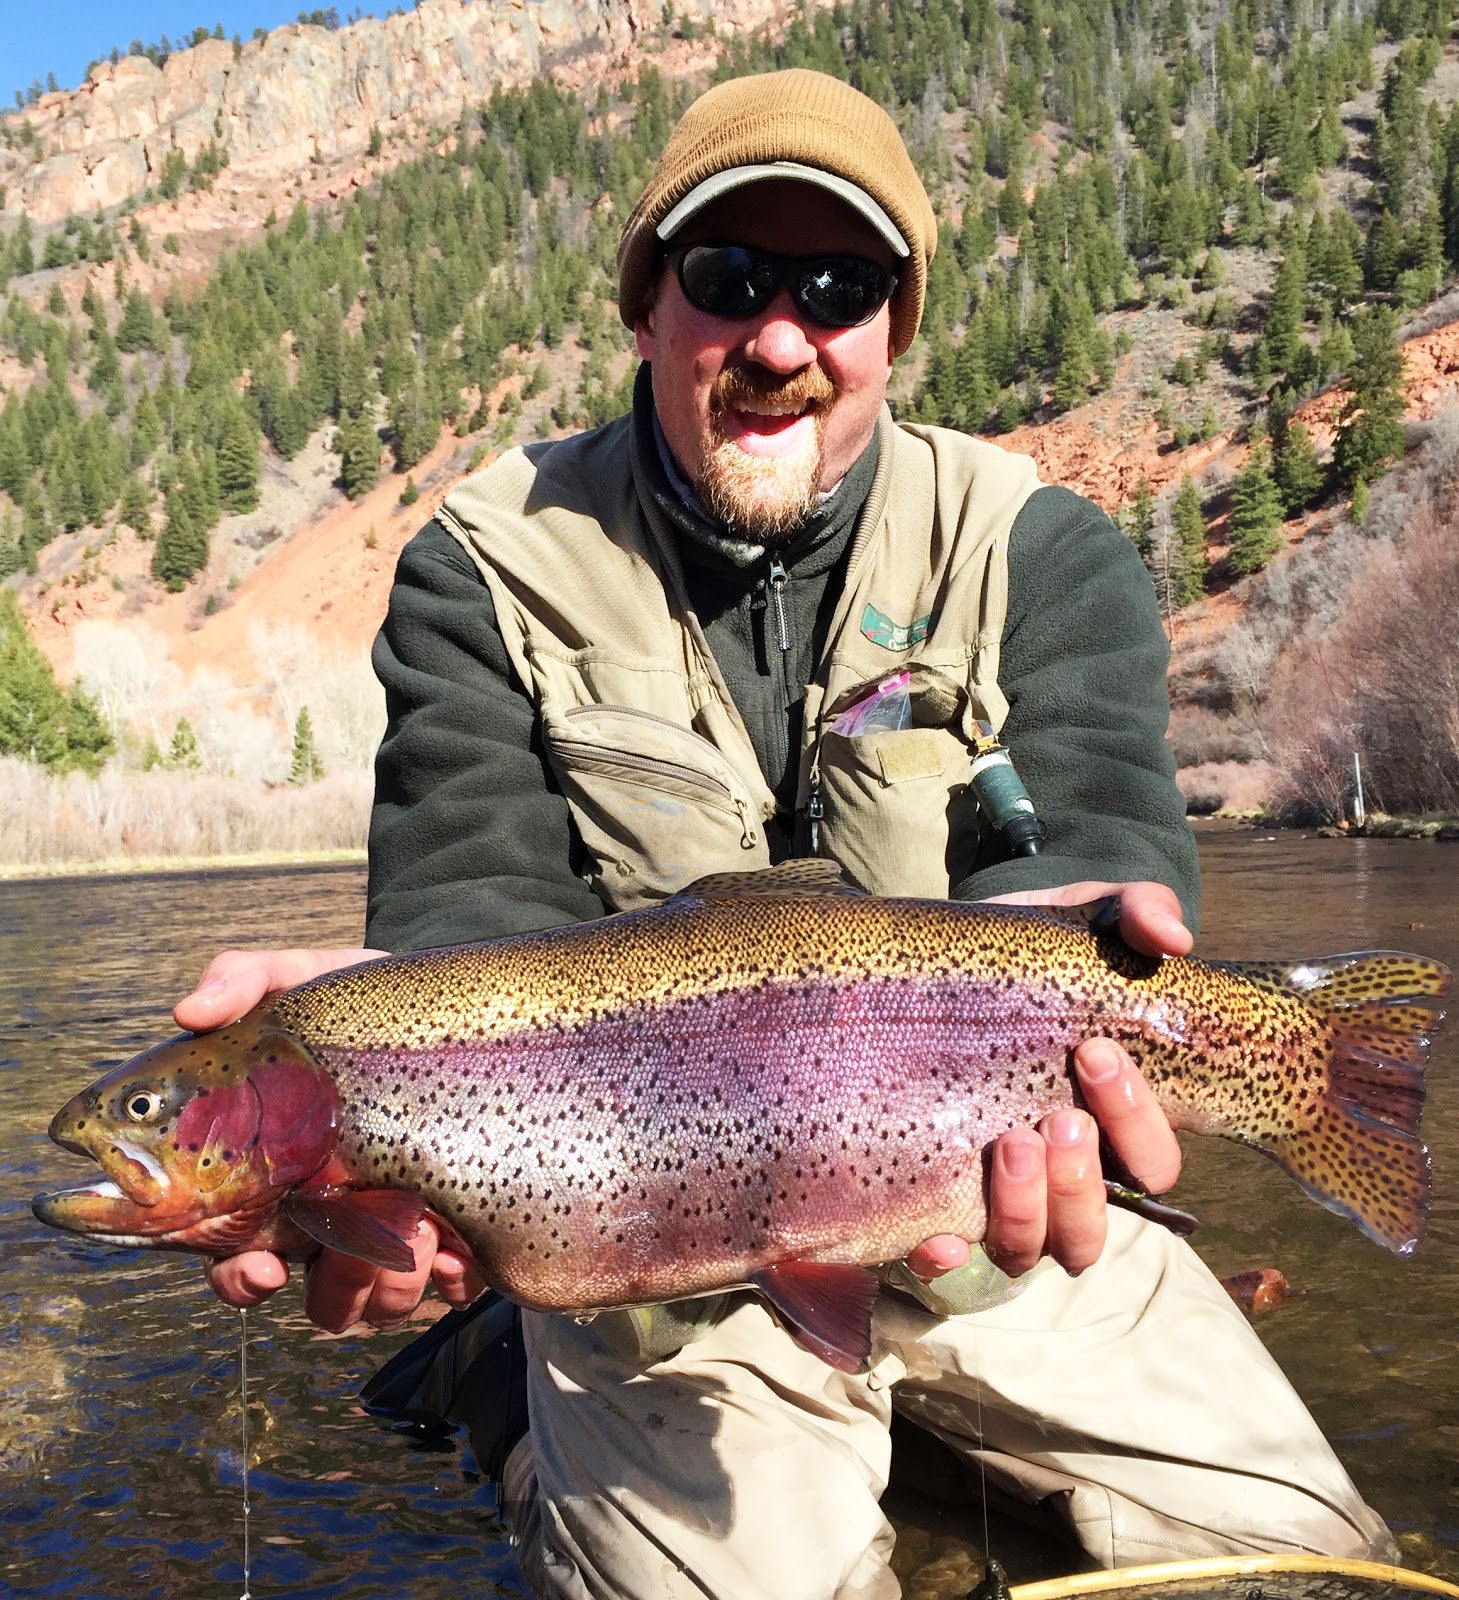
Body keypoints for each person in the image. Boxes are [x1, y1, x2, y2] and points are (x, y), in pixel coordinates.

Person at [176, 68, 1394, 1599]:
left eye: (839, 287)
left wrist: (1102, 966)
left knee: (1307, 1573)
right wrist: (385, 1082)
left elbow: (1088, 850)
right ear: (645, 307)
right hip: (656, 1282)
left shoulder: (1034, 542)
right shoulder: (484, 568)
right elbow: (465, 927)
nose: (778, 336)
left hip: (999, 1220)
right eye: (729, 278)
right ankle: (516, 1387)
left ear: (894, 326)